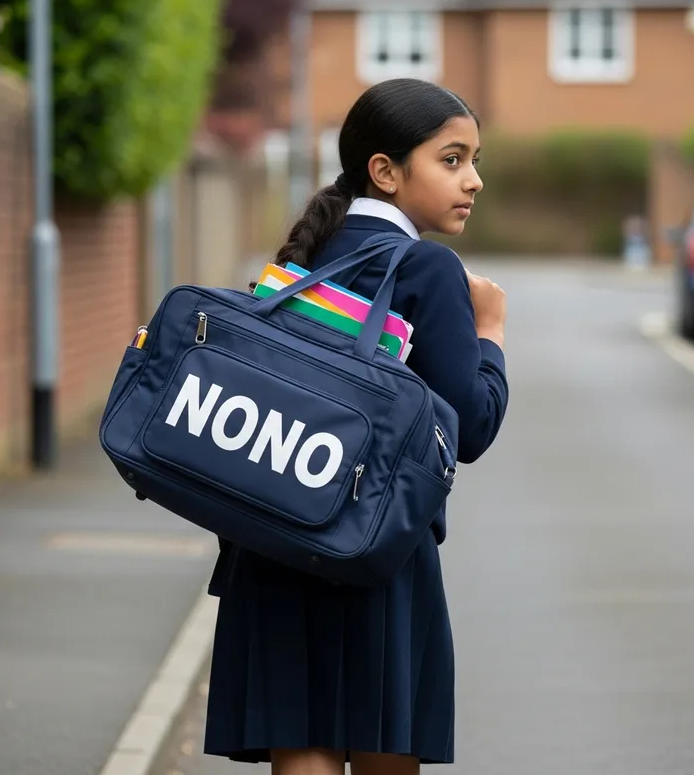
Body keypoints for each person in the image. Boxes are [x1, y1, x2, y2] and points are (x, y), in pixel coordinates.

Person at [203, 78, 509, 774]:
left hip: (273, 537)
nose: (474, 180)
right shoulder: (427, 268)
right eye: (453, 159)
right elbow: (471, 428)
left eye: (474, 161)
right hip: (374, 552)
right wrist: (490, 332)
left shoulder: (302, 256)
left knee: (303, 743)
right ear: (385, 171)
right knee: (380, 744)